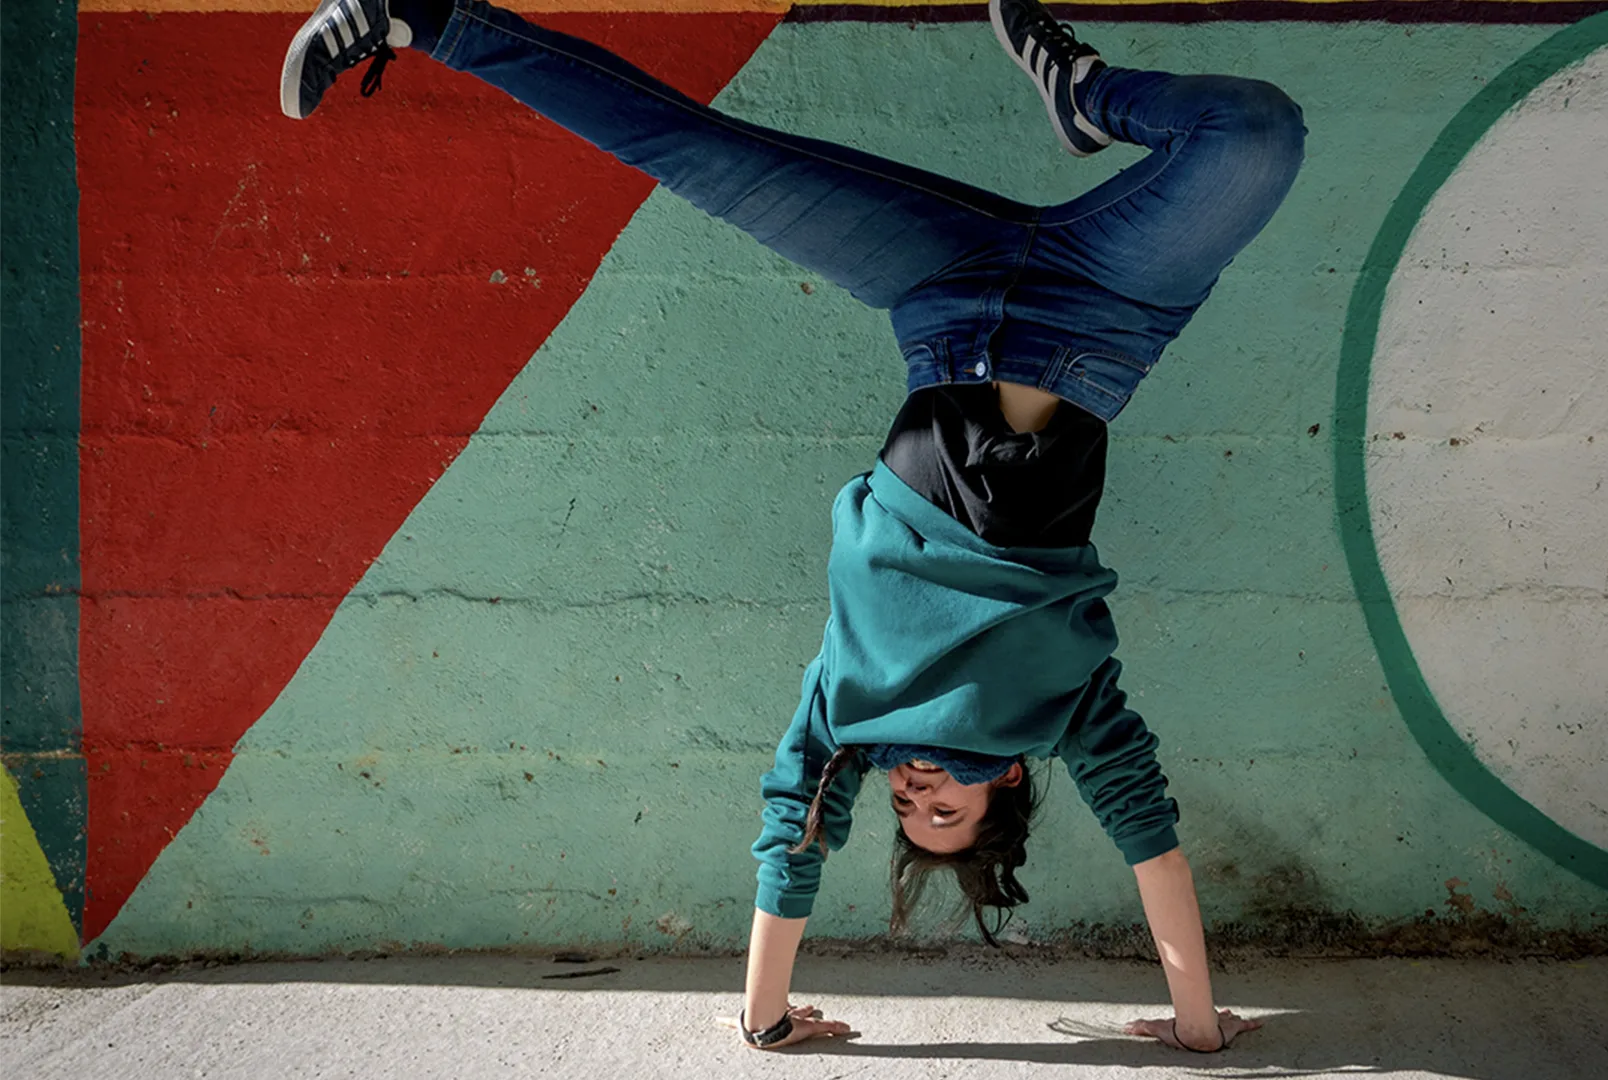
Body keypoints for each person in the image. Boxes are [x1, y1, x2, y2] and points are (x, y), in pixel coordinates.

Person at [283, 0, 1304, 1052]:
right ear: (1005, 781)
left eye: (906, 813)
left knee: (703, 154)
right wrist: (1197, 1029)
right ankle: (1085, 93)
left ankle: (421, 19)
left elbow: (792, 845)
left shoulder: (846, 716)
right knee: (1258, 134)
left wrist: (765, 1020)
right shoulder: (1069, 712)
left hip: (941, 297)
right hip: (1104, 319)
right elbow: (1154, 845)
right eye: (942, 810)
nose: (914, 793)